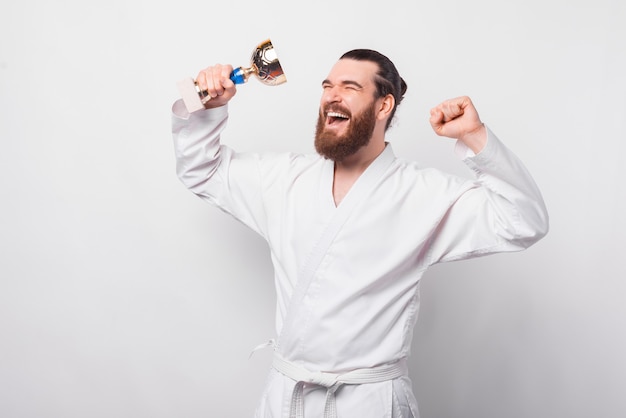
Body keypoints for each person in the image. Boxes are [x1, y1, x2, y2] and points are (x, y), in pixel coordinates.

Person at [171, 49, 549, 418]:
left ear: (383, 106)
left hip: (371, 402)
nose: (331, 95)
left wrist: (475, 137)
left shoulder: (423, 195)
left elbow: (522, 221)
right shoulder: (284, 181)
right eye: (327, 85)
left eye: (349, 87)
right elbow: (202, 170)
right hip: (288, 396)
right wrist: (208, 106)